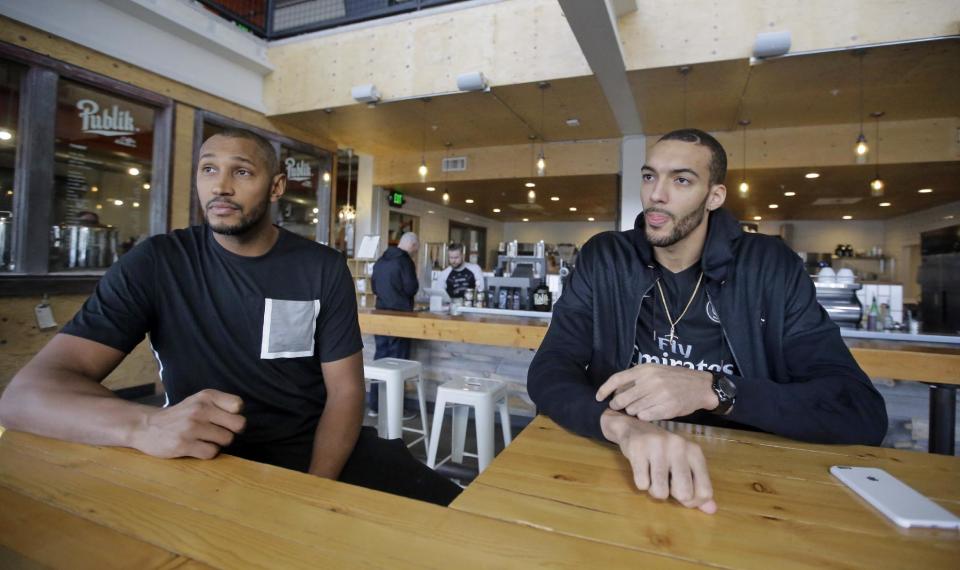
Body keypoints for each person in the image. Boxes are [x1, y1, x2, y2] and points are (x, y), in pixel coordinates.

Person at [0, 128, 460, 506]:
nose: (220, 186)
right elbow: (22, 399)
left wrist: (314, 491)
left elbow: (345, 392)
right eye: (208, 170)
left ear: (276, 186)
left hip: (318, 453)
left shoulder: (321, 267)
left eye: (241, 171)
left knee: (455, 520)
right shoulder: (158, 262)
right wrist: (143, 425)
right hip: (201, 458)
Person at [527, 128, 887, 515]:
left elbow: (859, 411)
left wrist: (713, 389)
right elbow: (550, 368)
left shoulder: (769, 266)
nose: (656, 194)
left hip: (750, 481)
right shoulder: (606, 257)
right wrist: (620, 425)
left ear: (714, 195)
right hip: (622, 466)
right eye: (650, 176)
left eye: (681, 179)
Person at [368, 232, 420, 415]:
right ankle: (394, 410)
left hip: (380, 313)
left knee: (381, 358)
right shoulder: (405, 261)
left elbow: (373, 286)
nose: (416, 252)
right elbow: (411, 287)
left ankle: (375, 406)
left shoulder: (381, 260)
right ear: (412, 245)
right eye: (416, 248)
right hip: (400, 317)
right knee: (398, 362)